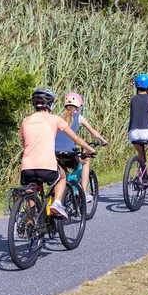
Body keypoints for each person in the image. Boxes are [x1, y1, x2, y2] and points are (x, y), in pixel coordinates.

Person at [20, 88, 96, 220]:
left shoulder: (26, 121)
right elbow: (76, 139)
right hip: (47, 167)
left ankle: (29, 224)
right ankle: (57, 204)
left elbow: (24, 144)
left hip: (27, 168)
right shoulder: (55, 119)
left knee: (30, 193)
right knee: (62, 177)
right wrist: (91, 149)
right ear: (50, 104)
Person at [55, 92, 109, 203]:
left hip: (54, 153)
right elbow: (94, 133)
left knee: (62, 172)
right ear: (78, 106)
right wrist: (103, 141)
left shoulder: (57, 117)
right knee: (86, 161)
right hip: (69, 153)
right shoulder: (79, 117)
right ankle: (83, 193)